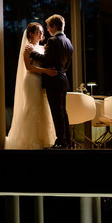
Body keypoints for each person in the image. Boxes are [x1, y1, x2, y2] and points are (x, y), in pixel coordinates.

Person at [5, 22, 57, 149]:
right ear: (31, 34)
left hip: (41, 81)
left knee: (42, 108)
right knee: (32, 108)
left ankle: (42, 139)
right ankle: (30, 140)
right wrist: (46, 71)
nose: (41, 33)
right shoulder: (28, 48)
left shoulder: (43, 48)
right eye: (38, 31)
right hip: (32, 80)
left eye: (42, 31)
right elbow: (29, 67)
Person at [38, 14, 74, 148]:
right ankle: (67, 141)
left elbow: (46, 59)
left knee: (56, 111)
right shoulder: (68, 42)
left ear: (54, 26)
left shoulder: (53, 41)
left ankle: (60, 141)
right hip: (63, 79)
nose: (47, 30)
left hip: (53, 79)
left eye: (48, 27)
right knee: (63, 112)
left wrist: (33, 53)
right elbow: (67, 65)